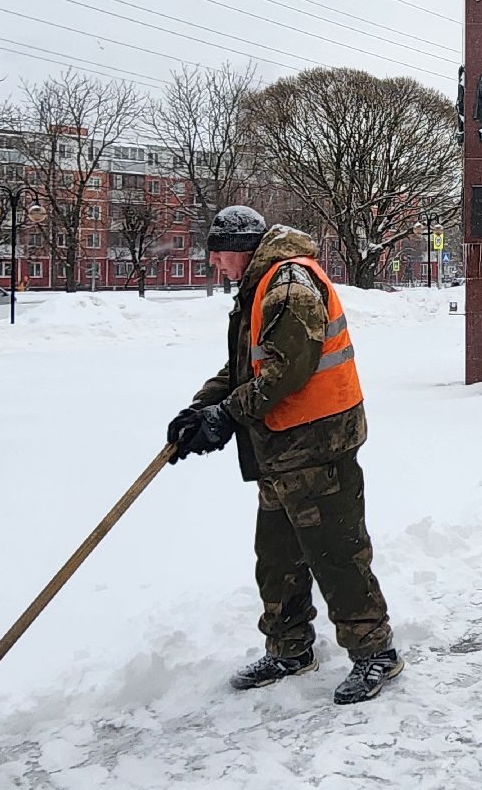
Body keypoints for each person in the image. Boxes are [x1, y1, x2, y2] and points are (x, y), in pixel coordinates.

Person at [166, 205, 402, 703]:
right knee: (277, 558)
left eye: (217, 256)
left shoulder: (290, 286)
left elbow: (285, 372)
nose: (216, 266)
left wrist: (227, 416)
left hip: (318, 448)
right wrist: (202, 408)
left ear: (239, 249)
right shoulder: (261, 286)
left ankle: (375, 651)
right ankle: (290, 648)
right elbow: (245, 366)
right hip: (280, 449)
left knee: (337, 554)